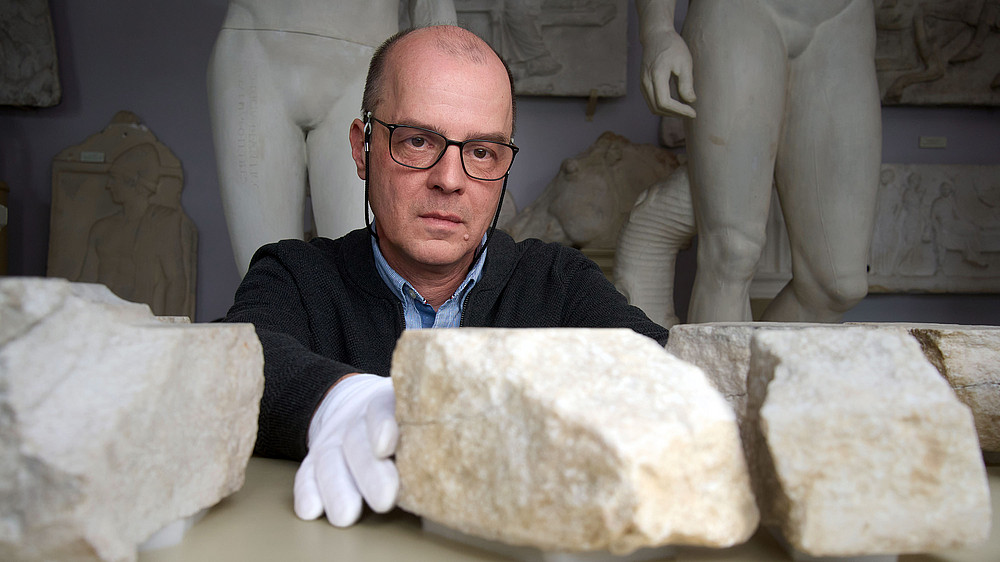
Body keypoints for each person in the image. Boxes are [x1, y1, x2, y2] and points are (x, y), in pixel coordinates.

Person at [224, 25, 668, 529]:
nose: (450, 180)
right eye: (417, 141)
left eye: (481, 152)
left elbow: (661, 372)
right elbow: (238, 358)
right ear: (362, 147)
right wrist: (341, 401)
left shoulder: (561, 284)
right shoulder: (294, 275)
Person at [637, 0, 882, 322]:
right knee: (731, 254)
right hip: (738, 13)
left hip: (843, 19)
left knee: (838, 285)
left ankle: (758, 369)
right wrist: (658, 29)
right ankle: (720, 372)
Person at [208, 0, 457, 277]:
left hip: (366, 60)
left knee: (362, 277)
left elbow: (435, 10)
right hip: (254, 50)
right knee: (261, 275)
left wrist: (448, 92)